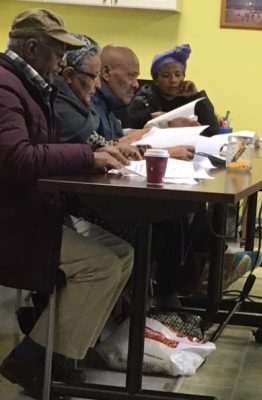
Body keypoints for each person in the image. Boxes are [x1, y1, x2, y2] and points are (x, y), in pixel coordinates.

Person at [0, 10, 137, 400]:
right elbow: (17, 159)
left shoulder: (28, 86)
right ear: (31, 48)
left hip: (30, 215)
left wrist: (93, 153)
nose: (63, 61)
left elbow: (44, 150)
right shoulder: (6, 88)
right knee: (101, 265)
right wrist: (87, 157)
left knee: (123, 252)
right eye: (59, 51)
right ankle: (33, 359)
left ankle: (65, 354)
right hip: (12, 223)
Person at [91, 44, 197, 161]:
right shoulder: (91, 106)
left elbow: (119, 141)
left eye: (178, 75)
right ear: (106, 73)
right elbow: (100, 152)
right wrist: (163, 153)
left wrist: (165, 125)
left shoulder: (109, 107)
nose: (136, 84)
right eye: (131, 76)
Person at [115, 43, 220, 137]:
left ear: (184, 77)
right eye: (166, 76)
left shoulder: (188, 99)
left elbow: (213, 130)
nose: (173, 80)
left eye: (178, 75)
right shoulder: (143, 100)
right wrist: (150, 117)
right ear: (155, 80)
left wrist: (197, 96)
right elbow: (124, 130)